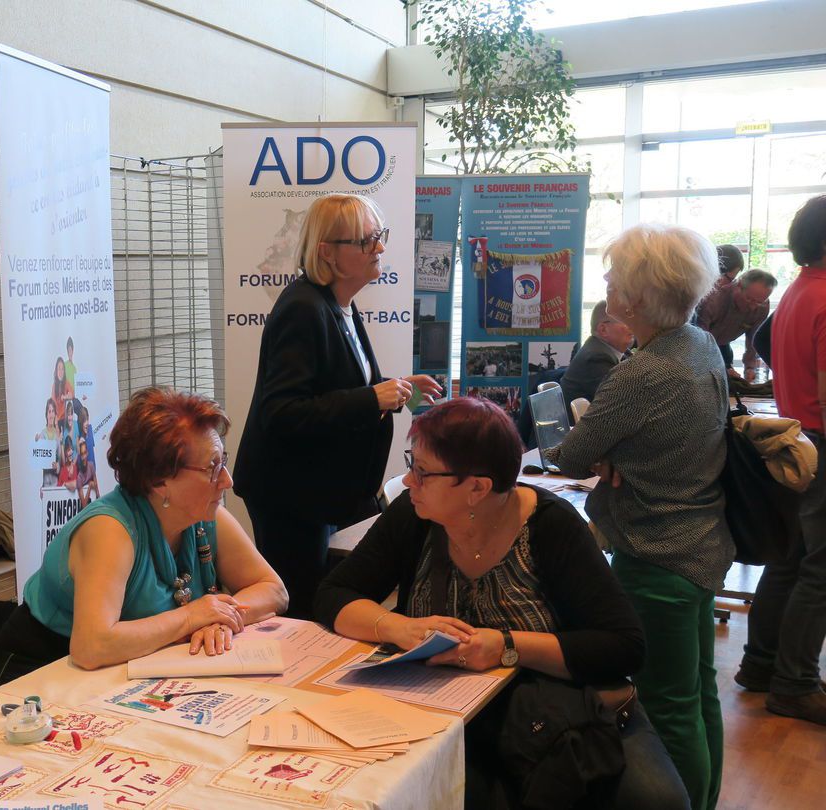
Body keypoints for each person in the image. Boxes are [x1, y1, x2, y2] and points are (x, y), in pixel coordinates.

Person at [315, 398, 687, 810]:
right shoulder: (415, 516)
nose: (407, 482)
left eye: (422, 472)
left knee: (657, 801)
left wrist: (507, 646)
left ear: (477, 487)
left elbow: (622, 646)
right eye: (411, 464)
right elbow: (334, 595)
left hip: (557, 710)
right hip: (448, 715)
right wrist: (397, 627)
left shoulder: (551, 526)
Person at [545, 224, 732, 810]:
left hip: (657, 556)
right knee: (698, 694)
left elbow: (568, 455)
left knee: (666, 709)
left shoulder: (641, 372)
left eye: (614, 277)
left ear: (635, 294)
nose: (607, 285)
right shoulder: (699, 344)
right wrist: (614, 452)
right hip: (702, 543)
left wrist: (603, 451)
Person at [0, 387, 288, 690]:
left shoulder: (205, 517)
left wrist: (221, 618)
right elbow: (92, 646)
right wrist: (193, 616)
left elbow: (274, 590)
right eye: (211, 467)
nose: (226, 480)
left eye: (223, 461)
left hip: (120, 674)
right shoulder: (109, 529)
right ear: (160, 480)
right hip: (38, 675)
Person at [233, 193, 441, 619]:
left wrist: (395, 388)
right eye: (366, 241)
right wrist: (372, 398)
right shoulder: (302, 309)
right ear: (327, 251)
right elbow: (283, 412)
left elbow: (336, 386)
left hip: (323, 491)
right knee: (303, 611)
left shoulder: (338, 304)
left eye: (379, 237)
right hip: (291, 498)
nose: (380, 248)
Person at [736, 194, 826, 725]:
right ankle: (794, 683)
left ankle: (761, 665)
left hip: (796, 439)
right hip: (820, 438)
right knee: (820, 569)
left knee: (790, 557)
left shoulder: (795, 292)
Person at [696, 268, 777, 381]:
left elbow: (753, 338)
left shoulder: (762, 307)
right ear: (738, 286)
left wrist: (749, 367)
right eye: (749, 299)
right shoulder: (714, 299)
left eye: (759, 302)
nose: (753, 307)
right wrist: (719, 367)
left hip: (723, 345)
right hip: (699, 345)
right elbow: (699, 341)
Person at [559, 300, 635, 406]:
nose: (632, 325)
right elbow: (626, 400)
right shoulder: (596, 358)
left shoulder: (615, 352)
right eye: (624, 320)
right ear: (603, 329)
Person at [37, 398, 62, 486]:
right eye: (49, 411)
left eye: (53, 411)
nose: (51, 415)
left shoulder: (57, 435)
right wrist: (37, 444)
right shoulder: (42, 435)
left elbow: (60, 459)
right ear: (46, 415)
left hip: (56, 481)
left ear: (55, 414)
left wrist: (57, 466)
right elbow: (38, 459)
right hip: (46, 482)